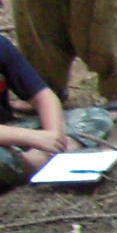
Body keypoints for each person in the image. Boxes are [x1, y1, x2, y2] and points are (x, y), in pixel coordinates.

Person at [0, 30, 108, 190]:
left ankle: (53, 153)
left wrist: (54, 136)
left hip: (11, 130)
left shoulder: (2, 46)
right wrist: (33, 138)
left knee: (95, 117)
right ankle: (33, 163)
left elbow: (44, 96)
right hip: (13, 140)